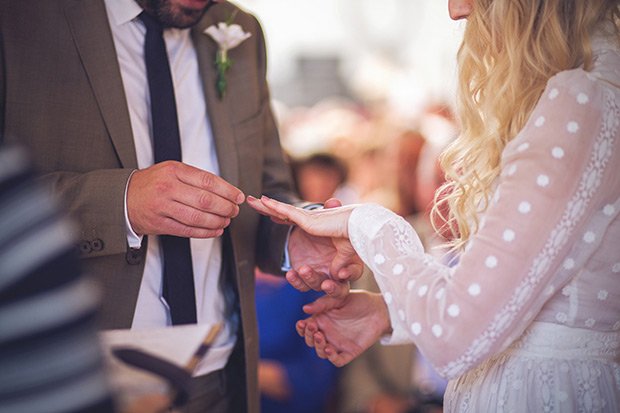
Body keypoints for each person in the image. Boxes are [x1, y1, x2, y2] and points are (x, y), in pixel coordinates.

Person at [248, 0, 620, 410]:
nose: (455, 10)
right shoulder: (597, 88)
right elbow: (536, 295)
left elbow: (455, 335)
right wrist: (390, 312)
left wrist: (367, 223)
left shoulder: (579, 99)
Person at [0, 1, 361, 412]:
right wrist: (123, 202)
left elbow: (267, 190)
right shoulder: (19, 18)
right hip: (78, 382)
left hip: (221, 380)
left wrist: (295, 238)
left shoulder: (239, 31)